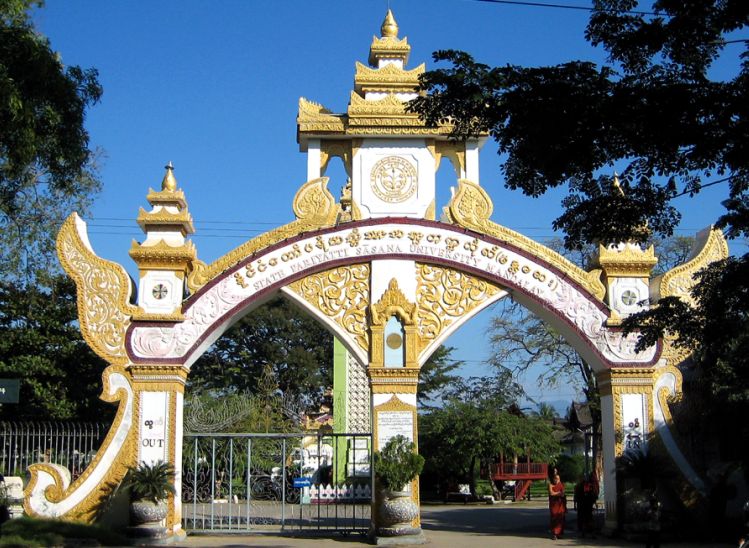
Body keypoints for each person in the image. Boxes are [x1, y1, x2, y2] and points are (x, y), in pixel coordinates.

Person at [548, 473, 566, 540]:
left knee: (560, 518)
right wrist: (558, 493)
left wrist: (557, 493)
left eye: (558, 479)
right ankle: (554, 534)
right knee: (554, 518)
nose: (557, 480)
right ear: (553, 479)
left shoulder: (561, 485)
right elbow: (551, 493)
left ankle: (559, 533)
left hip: (560, 504)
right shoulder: (550, 485)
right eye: (556, 479)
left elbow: (563, 494)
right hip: (553, 504)